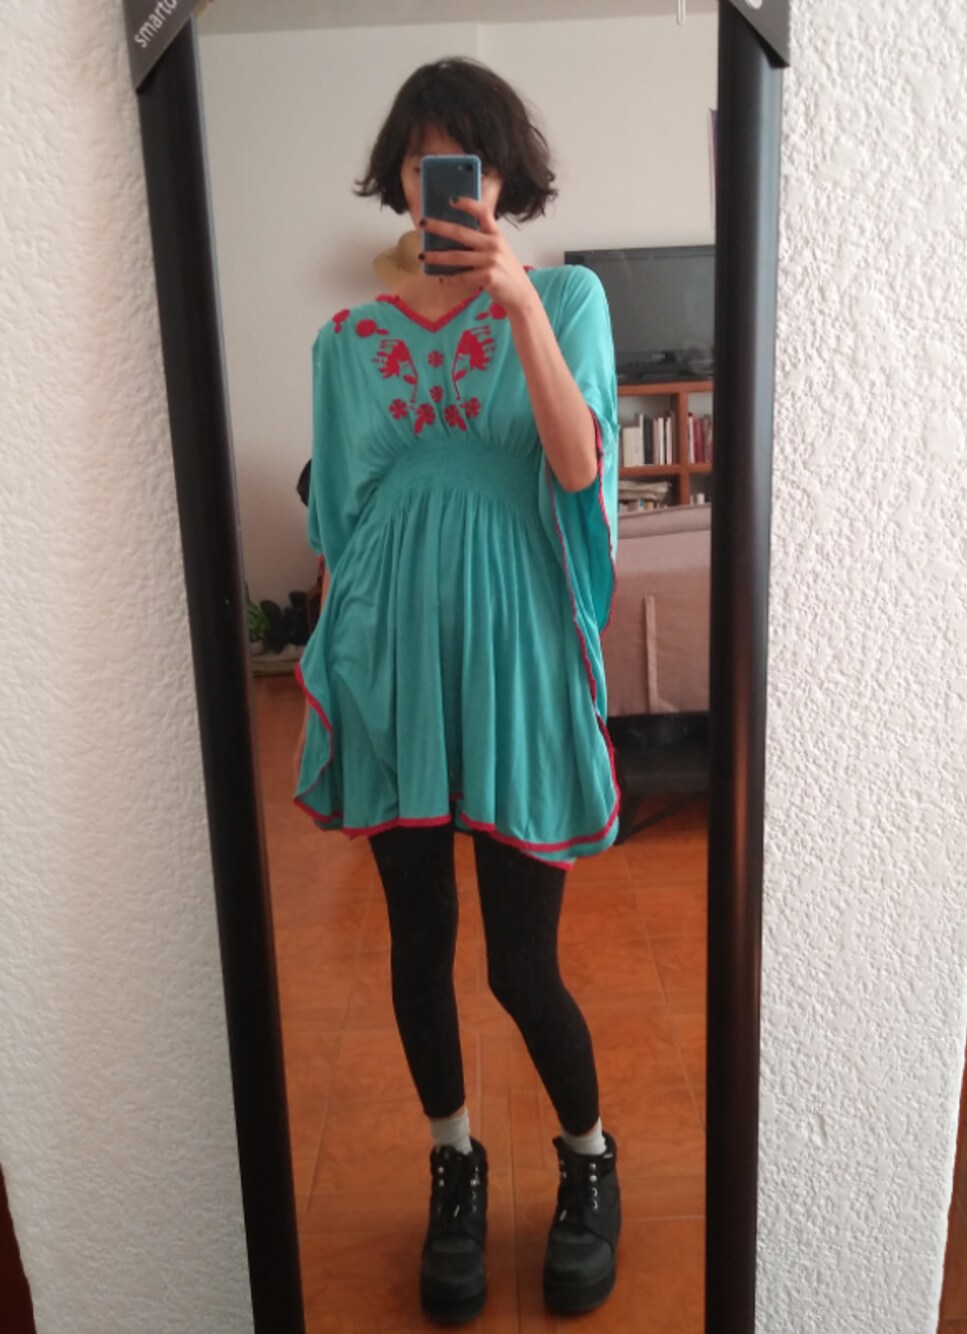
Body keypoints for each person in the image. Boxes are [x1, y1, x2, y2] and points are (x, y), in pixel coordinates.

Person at [293, 56, 622, 1323]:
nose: (449, 181)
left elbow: (578, 464)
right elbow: (340, 519)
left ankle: (587, 1158)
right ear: (399, 176)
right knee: (420, 948)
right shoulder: (345, 341)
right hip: (394, 667)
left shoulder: (568, 298)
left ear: (503, 177)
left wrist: (516, 301)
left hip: (518, 660)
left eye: (468, 160)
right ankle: (453, 1163)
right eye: (427, 159)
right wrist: (333, 663)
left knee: (521, 966)